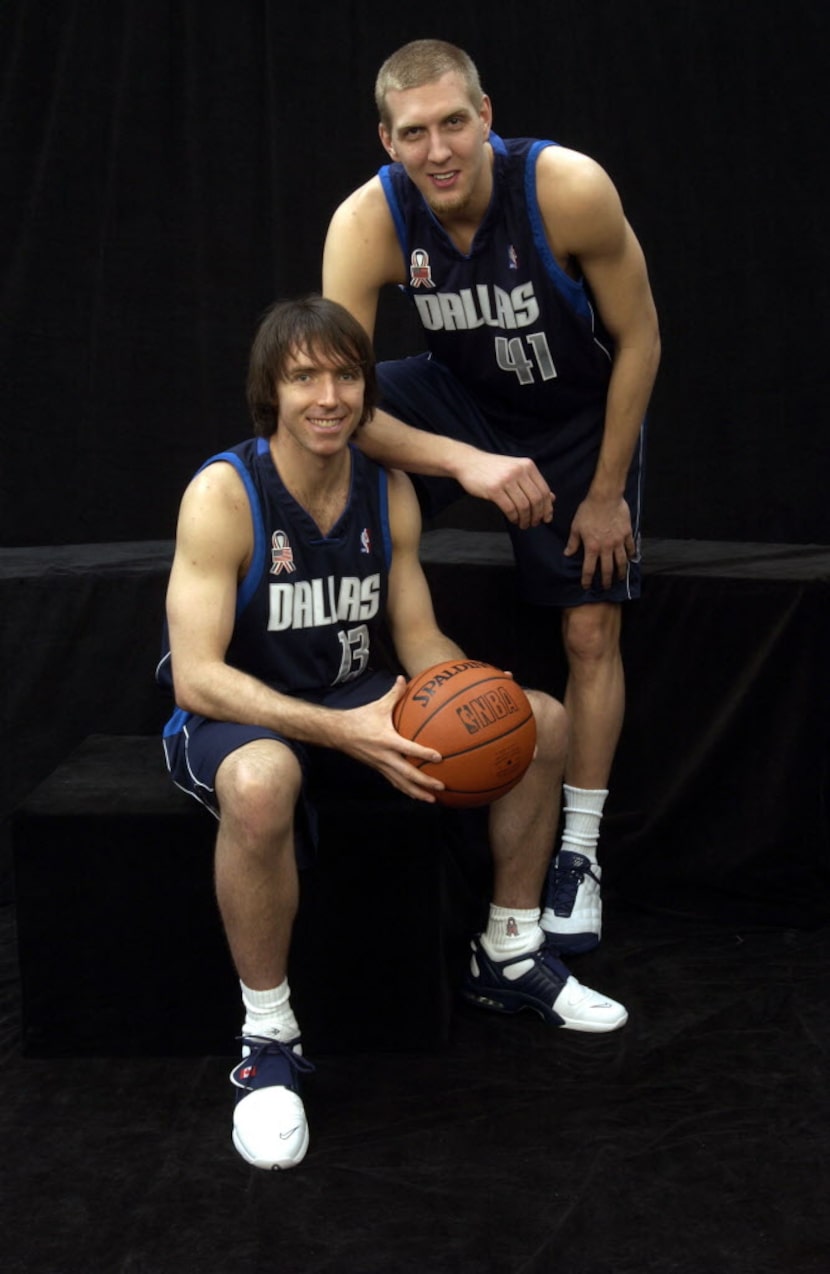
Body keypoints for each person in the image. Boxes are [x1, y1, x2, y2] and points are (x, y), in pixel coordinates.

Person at [157, 295, 627, 1172]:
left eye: (345, 375)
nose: (328, 396)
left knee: (541, 719)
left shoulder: (389, 488)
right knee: (263, 782)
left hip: (357, 697)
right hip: (240, 714)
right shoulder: (224, 493)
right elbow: (198, 676)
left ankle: (510, 953)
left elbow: (420, 643)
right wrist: (340, 733)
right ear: (272, 393)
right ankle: (268, 1043)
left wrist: (473, 698)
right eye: (305, 378)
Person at [323, 39, 661, 958]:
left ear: (487, 118)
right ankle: (303, 691)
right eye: (415, 133)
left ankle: (578, 854)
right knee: (323, 440)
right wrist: (466, 460)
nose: (438, 150)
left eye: (454, 124)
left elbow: (639, 341)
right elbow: (340, 400)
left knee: (590, 629)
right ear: (388, 141)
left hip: (573, 418)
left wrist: (603, 493)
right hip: (462, 402)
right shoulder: (367, 223)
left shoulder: (566, 190)